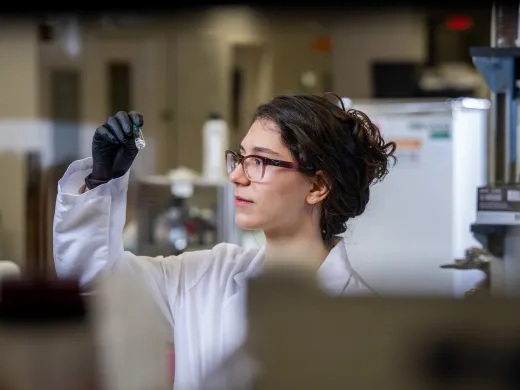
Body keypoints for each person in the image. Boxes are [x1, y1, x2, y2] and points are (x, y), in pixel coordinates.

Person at [53, 93, 396, 389]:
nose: (235, 176)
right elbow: (96, 287)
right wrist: (101, 180)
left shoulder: (362, 320)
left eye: (259, 161)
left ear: (317, 186)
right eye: (240, 157)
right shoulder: (207, 276)